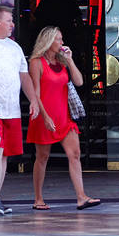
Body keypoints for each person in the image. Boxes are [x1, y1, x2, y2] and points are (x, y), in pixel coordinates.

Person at [26, 26, 100, 210]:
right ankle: (38, 198)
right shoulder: (36, 62)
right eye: (58, 39)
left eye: (61, 39)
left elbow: (79, 81)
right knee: (42, 157)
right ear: (48, 41)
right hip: (44, 116)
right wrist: (45, 116)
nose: (61, 42)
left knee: (74, 154)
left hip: (64, 116)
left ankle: (81, 197)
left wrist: (70, 60)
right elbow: (35, 93)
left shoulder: (63, 61)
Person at [0, 5, 39, 216]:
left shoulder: (15, 47)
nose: (13, 24)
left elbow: (24, 76)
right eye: (10, 20)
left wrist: (33, 100)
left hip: (11, 108)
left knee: (4, 155)